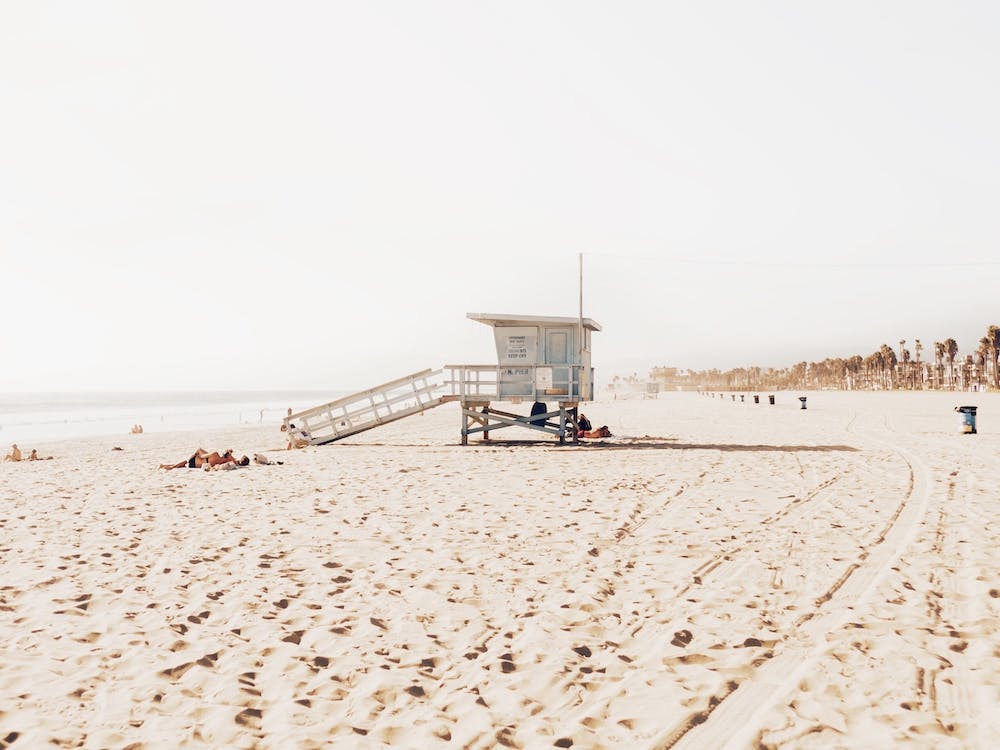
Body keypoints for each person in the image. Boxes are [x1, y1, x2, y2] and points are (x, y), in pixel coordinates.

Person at [159, 448, 249, 470]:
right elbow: (234, 461)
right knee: (184, 464)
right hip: (195, 465)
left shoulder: (215, 454)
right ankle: (168, 466)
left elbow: (200, 452)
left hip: (193, 461)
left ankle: (169, 466)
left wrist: (196, 454)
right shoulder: (223, 463)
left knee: (186, 462)